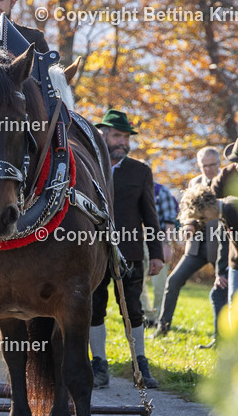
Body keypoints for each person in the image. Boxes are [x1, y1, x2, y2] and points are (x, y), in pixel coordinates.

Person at [89, 109, 163, 390]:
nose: (122, 142)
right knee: (94, 308)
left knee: (133, 310)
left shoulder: (140, 171)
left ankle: (140, 365)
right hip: (92, 252)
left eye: (126, 137)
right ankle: (99, 366)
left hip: (130, 252)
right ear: (103, 135)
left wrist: (156, 253)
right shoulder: (88, 166)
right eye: (117, 136)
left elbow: (150, 215)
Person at [155, 147, 222, 336]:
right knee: (173, 281)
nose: (208, 169)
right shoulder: (194, 182)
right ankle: (162, 328)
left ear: (219, 163)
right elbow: (187, 212)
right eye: (204, 166)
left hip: (220, 248)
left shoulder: (226, 181)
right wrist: (187, 226)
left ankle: (220, 338)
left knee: (221, 290)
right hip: (196, 247)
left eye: (212, 165)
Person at [142, 182, 178, 326]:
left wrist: (168, 245)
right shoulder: (135, 189)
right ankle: (148, 315)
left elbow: (170, 221)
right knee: (136, 282)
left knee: (159, 285)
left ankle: (159, 318)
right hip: (138, 240)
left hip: (160, 240)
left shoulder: (161, 192)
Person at [211, 137, 238, 325]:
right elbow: (206, 202)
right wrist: (191, 224)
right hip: (234, 253)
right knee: (232, 304)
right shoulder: (226, 175)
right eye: (236, 161)